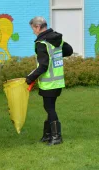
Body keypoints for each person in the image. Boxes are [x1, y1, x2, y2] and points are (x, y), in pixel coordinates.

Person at [26, 16, 73, 145]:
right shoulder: (57, 39)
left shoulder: (41, 43)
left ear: (38, 27)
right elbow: (69, 51)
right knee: (50, 107)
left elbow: (43, 66)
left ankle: (56, 137)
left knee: (49, 108)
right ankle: (48, 135)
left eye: (33, 29)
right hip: (58, 81)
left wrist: (29, 79)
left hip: (49, 83)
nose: (33, 32)